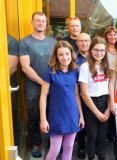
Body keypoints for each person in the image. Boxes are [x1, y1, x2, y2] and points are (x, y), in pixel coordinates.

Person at [19, 11, 57, 158]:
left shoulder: (53, 42)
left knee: (52, 114)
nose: (41, 23)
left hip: (53, 87)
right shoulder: (25, 42)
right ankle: (36, 144)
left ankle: (52, 143)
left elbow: (57, 63)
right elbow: (25, 67)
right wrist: (43, 83)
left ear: (46, 24)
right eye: (38, 21)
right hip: (34, 88)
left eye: (43, 21)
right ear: (32, 22)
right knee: (34, 117)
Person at [39, 41, 85, 160]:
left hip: (72, 115)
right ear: (56, 56)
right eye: (61, 54)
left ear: (71, 54)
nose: (65, 57)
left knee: (69, 147)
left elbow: (76, 95)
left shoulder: (75, 71)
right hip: (57, 116)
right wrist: (43, 119)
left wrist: (81, 116)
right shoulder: (50, 72)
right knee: (55, 149)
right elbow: (43, 96)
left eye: (67, 54)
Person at [78, 37, 110, 160]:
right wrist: (97, 112)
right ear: (91, 51)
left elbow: (109, 89)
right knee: (92, 136)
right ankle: (90, 157)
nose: (99, 53)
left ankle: (102, 156)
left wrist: (107, 109)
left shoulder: (106, 66)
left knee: (102, 137)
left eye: (102, 50)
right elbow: (84, 93)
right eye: (96, 50)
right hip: (91, 103)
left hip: (104, 102)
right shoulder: (85, 67)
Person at [75, 32, 91, 159]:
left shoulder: (96, 55)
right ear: (77, 42)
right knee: (80, 119)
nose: (84, 43)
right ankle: (81, 146)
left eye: (86, 40)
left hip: (94, 94)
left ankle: (92, 145)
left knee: (92, 121)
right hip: (78, 94)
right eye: (81, 41)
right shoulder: (73, 57)